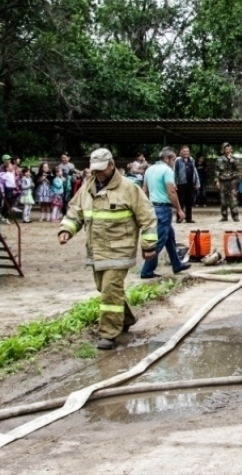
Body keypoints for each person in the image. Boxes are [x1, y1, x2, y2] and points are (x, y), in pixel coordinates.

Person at [58, 148, 158, 350]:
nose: (98, 173)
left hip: (120, 250)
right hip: (96, 250)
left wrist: (148, 246)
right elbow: (75, 211)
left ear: (112, 165)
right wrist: (67, 230)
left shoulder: (129, 188)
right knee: (105, 288)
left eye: (102, 169)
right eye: (95, 169)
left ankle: (108, 334)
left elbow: (147, 217)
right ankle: (127, 318)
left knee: (109, 293)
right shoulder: (87, 187)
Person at [140, 147, 191, 280]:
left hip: (153, 207)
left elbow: (144, 189)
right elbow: (171, 192)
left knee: (170, 237)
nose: (175, 161)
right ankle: (147, 270)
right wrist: (179, 210)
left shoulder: (149, 169)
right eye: (173, 159)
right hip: (163, 209)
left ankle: (177, 264)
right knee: (160, 240)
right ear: (167, 158)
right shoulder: (167, 170)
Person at [173, 145, 200, 223]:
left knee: (189, 201)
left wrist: (196, 182)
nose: (186, 153)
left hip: (190, 183)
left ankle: (189, 218)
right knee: (181, 201)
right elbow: (174, 172)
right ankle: (179, 218)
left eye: (187, 151)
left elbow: (195, 171)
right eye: (184, 151)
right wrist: (174, 183)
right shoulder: (177, 160)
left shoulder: (192, 160)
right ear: (181, 152)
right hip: (180, 183)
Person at [216, 142, 239, 222]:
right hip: (222, 181)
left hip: (232, 181)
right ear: (223, 150)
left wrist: (231, 160)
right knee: (223, 200)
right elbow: (217, 171)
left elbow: (237, 169)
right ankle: (224, 216)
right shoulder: (219, 159)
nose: (228, 150)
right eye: (226, 149)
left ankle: (235, 216)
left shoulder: (234, 159)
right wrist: (217, 181)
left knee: (233, 199)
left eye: (229, 148)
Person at [0, 154, 19, 223]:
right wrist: (2, 190)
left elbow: (13, 178)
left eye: (10, 159)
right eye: (8, 160)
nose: (10, 161)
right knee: (7, 202)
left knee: (9, 202)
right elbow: (1, 181)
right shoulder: (2, 171)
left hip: (11, 188)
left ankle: (3, 215)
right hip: (7, 188)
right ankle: (4, 216)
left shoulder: (10, 171)